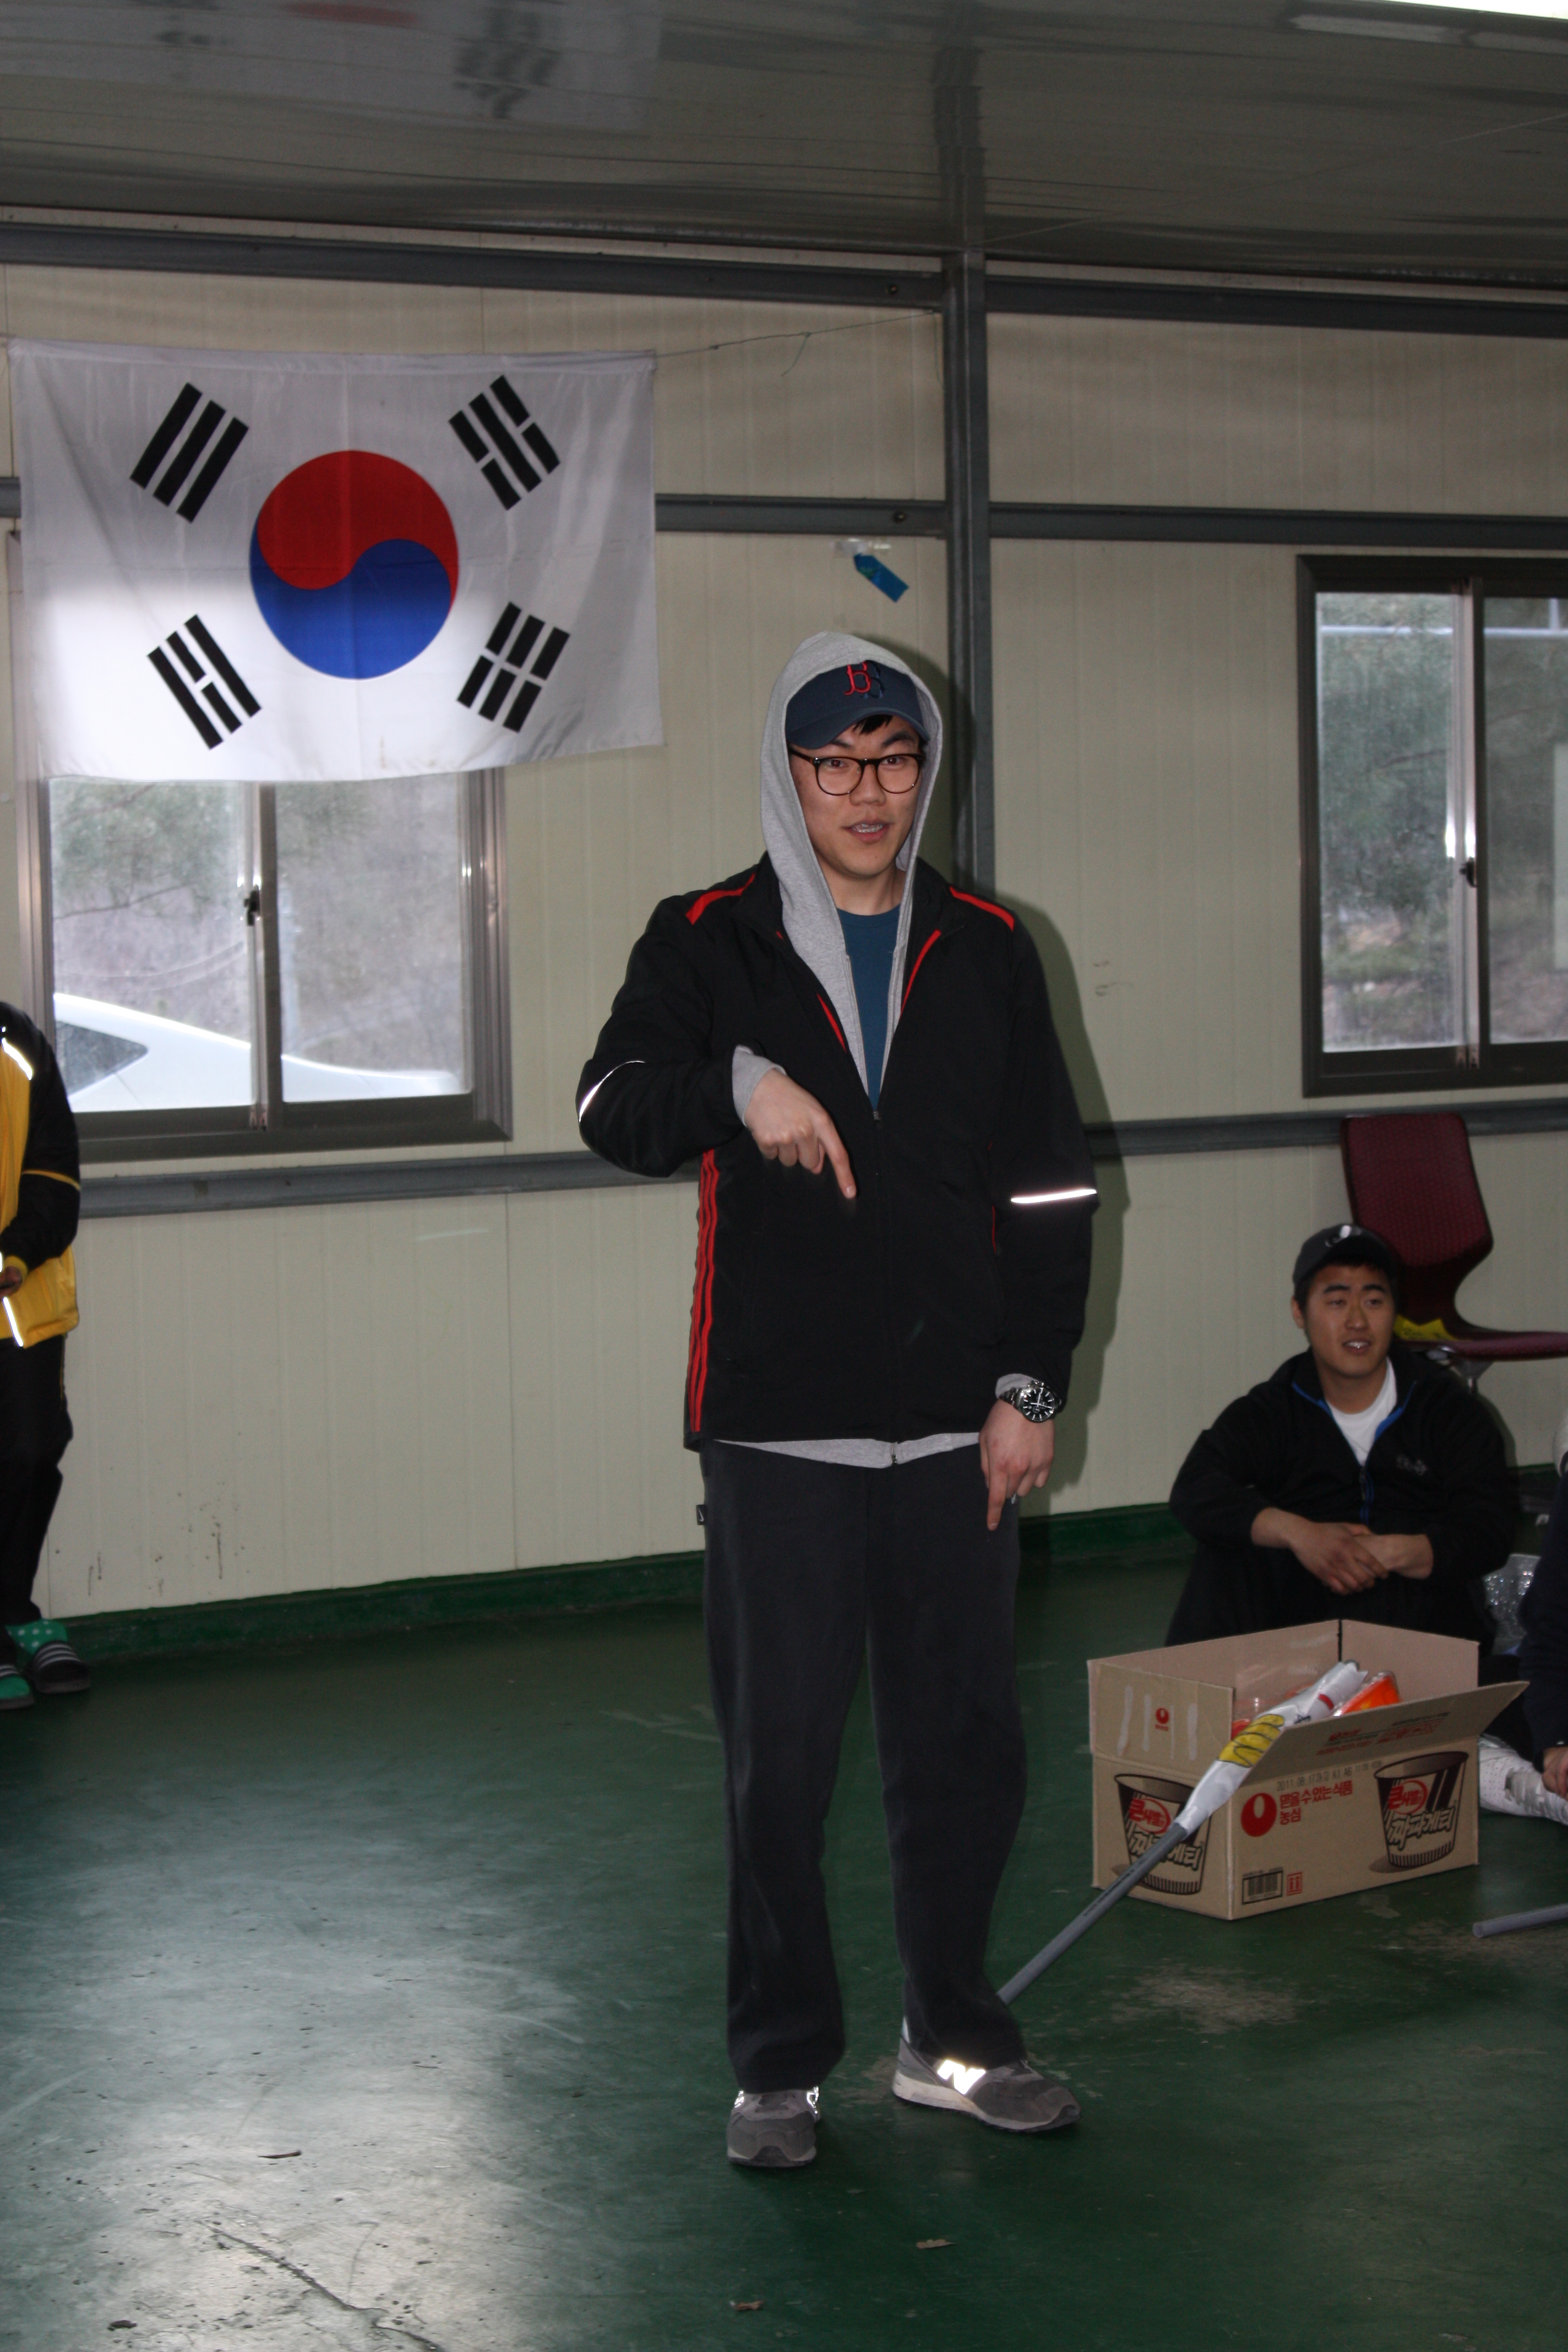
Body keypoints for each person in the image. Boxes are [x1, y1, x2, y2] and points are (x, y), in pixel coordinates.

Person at [576, 631, 1097, 2167]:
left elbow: (1051, 1186)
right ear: (786, 773)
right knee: (781, 1762)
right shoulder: (705, 940)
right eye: (834, 764)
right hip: (779, 1429)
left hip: (958, 1429)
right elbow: (609, 1105)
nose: (867, 793)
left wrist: (1029, 1387)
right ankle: (778, 2065)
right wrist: (736, 1084)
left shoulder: (990, 945)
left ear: (924, 770)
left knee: (963, 1754)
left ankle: (952, 2040)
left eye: (893, 760)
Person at [1165, 1223, 1512, 1647]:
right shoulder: (1274, 1408)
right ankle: (1194, 1686)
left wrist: (1396, 1552)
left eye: (1373, 1301)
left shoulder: (1446, 1410)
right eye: (1336, 1302)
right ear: (1299, 1312)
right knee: (1228, 1550)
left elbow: (1490, 1526)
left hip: (1416, 1605)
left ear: (1395, 1310)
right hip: (1305, 1602)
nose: (1357, 1321)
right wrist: (1300, 1535)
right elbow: (1194, 1488)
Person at [0, 1001, 88, 1712]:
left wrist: (18, 1250)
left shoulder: (18, 1042)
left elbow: (56, 1176)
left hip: (21, 1299)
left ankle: (11, 1610)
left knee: (33, 1451)